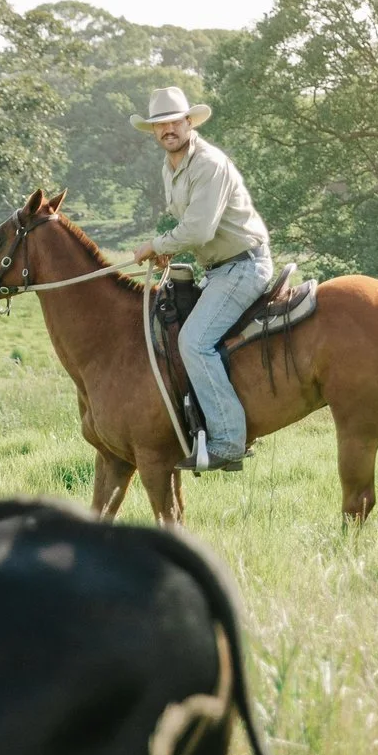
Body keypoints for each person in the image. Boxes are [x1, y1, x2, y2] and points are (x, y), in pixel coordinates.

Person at [132, 87, 271, 471]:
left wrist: (157, 244)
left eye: (174, 121)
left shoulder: (209, 163)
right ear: (154, 132)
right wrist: (169, 251)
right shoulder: (171, 168)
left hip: (243, 265)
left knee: (194, 342)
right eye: (159, 125)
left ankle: (228, 442)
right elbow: (191, 226)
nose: (167, 130)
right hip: (219, 267)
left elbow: (199, 229)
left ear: (189, 122)